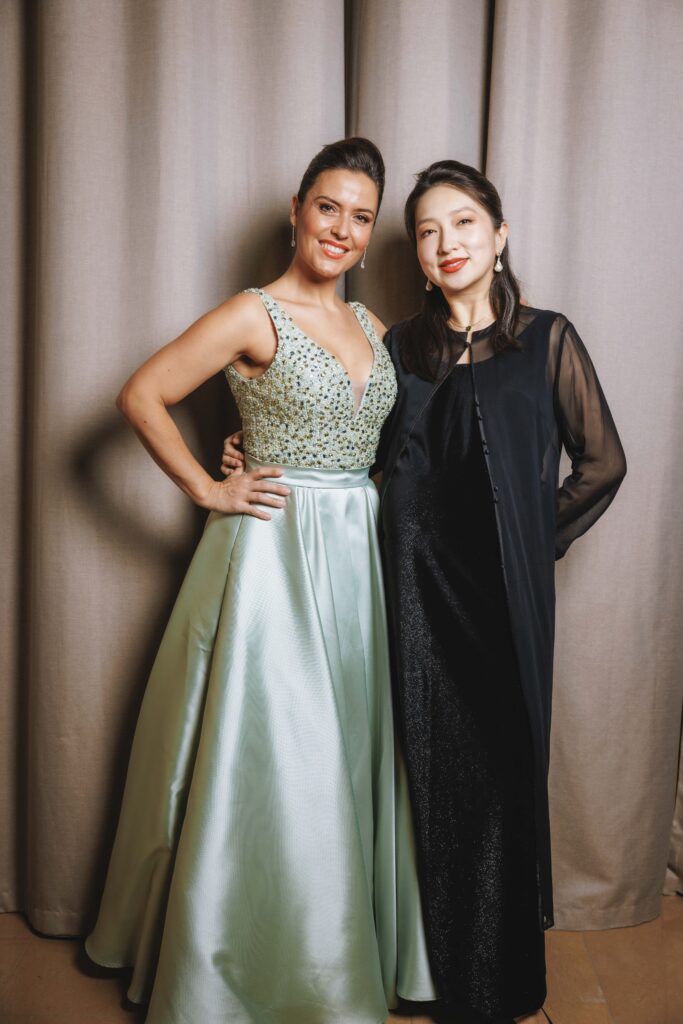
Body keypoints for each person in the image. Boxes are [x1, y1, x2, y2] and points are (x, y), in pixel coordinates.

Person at [85, 137, 437, 1024]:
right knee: (278, 758)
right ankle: (249, 967)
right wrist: (209, 488)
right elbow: (141, 394)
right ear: (296, 210)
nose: (342, 229)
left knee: (344, 752)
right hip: (273, 559)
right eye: (328, 207)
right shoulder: (253, 313)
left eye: (361, 217)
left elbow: (382, 443)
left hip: (356, 557)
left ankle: (334, 947)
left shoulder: (373, 326)